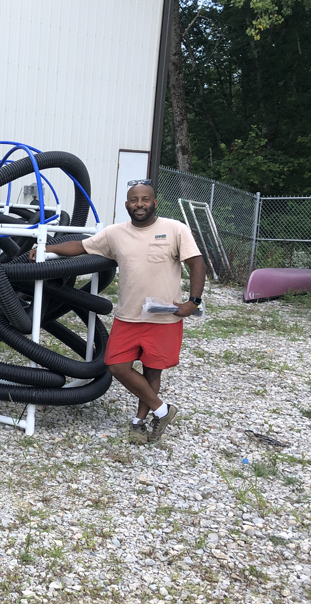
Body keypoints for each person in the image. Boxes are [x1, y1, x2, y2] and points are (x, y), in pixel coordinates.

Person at [30, 179, 205, 444]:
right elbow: (81, 246)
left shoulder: (174, 229)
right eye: (134, 200)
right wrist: (47, 249)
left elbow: (196, 262)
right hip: (128, 316)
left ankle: (139, 422)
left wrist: (194, 301)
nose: (139, 204)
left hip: (164, 317)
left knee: (152, 371)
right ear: (127, 204)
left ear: (154, 202)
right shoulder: (115, 233)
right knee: (116, 366)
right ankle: (163, 410)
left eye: (145, 199)